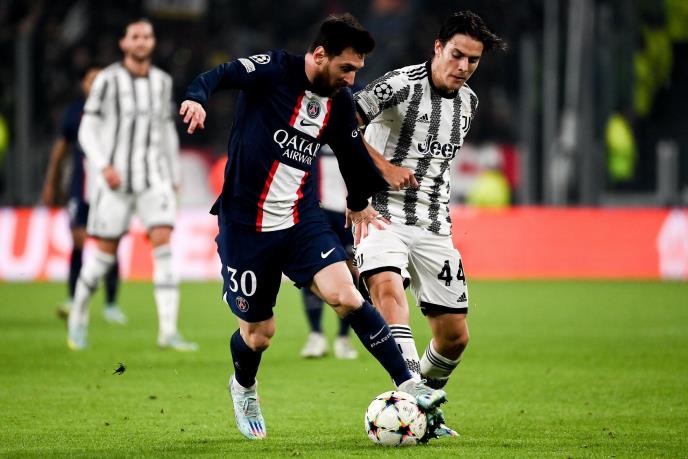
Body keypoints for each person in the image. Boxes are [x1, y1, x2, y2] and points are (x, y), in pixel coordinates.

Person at [180, 13, 447, 441]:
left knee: (347, 296)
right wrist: (196, 97)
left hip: (300, 220)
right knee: (259, 335)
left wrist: (358, 203)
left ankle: (409, 384)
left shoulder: (338, 103)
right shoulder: (273, 70)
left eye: (357, 70)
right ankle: (244, 387)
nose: (352, 78)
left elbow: (351, 157)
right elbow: (218, 74)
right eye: (347, 68)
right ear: (320, 54)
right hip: (245, 226)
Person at [353, 10, 506, 434]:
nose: (464, 66)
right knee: (387, 288)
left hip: (435, 224)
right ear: (438, 47)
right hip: (380, 213)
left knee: (455, 337)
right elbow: (342, 124)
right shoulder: (399, 85)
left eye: (473, 60)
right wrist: (382, 169)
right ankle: (412, 396)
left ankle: (422, 406)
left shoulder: (469, 103)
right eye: (457, 54)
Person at [68, 18, 197, 352]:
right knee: (102, 257)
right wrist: (103, 166)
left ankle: (168, 331)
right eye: (135, 36)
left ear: (152, 43)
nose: (142, 41)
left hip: (152, 179)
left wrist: (173, 178)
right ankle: (78, 316)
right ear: (124, 43)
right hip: (115, 182)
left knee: (164, 247)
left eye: (147, 36)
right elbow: (87, 130)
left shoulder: (162, 82)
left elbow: (167, 133)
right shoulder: (107, 80)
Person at [41, 67, 127, 325]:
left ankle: (111, 304)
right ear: (83, 85)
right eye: (91, 79)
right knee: (78, 240)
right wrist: (51, 183)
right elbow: (60, 150)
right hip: (81, 187)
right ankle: (72, 298)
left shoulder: (120, 110)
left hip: (111, 188)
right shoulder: (74, 112)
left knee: (110, 242)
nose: (96, 83)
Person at [299, 145, 357, 360]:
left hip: (349, 213)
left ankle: (343, 337)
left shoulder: (353, 133)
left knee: (350, 273)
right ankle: (316, 335)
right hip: (318, 213)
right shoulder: (311, 134)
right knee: (312, 271)